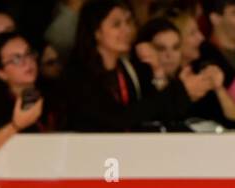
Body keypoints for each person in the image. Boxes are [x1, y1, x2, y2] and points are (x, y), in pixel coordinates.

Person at [60, 0, 209, 130]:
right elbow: (117, 118)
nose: (127, 30)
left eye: (128, 22)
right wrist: (180, 90)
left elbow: (157, 114)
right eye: (117, 24)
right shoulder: (79, 74)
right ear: (96, 32)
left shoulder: (128, 68)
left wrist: (157, 71)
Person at [0, 30, 60, 159]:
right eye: (16, 59)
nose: (27, 62)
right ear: (1, 73)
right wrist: (15, 126)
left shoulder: (53, 92)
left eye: (28, 53)